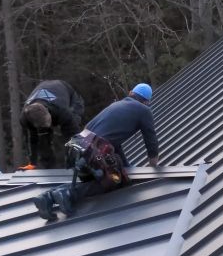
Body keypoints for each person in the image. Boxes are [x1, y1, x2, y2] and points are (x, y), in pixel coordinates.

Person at [32, 83, 160, 220]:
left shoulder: (116, 106)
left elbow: (112, 142)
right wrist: (153, 168)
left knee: (97, 178)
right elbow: (151, 140)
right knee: (114, 180)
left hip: (76, 146)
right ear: (147, 102)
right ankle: (67, 193)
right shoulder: (144, 110)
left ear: (130, 93)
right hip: (94, 151)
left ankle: (48, 198)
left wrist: (126, 166)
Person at [21, 79, 84, 168]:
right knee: (43, 141)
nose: (48, 125)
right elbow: (32, 141)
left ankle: (74, 165)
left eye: (48, 121)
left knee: (72, 139)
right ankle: (48, 167)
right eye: (44, 125)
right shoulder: (25, 118)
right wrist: (32, 163)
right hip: (49, 93)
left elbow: (75, 136)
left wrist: (77, 154)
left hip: (69, 96)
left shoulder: (61, 110)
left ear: (47, 111)